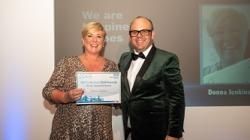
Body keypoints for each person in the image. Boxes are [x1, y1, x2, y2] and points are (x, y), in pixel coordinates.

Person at [42, 21, 118, 140]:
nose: (94, 40)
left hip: (100, 131)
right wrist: (65, 96)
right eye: (90, 36)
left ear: (103, 43)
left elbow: (117, 98)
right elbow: (47, 91)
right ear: (83, 40)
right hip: (68, 130)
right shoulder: (67, 62)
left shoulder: (112, 66)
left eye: (99, 37)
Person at [119, 16, 185, 140]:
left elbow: (177, 99)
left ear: (152, 34)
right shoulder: (124, 58)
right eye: (134, 32)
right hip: (130, 131)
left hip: (157, 132)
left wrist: (173, 134)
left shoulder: (167, 59)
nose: (139, 35)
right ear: (130, 36)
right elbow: (125, 92)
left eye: (144, 31)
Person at [203, 8, 249, 76]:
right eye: (220, 32)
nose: (228, 38)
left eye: (235, 30)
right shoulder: (203, 75)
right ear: (212, 38)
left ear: (246, 35)